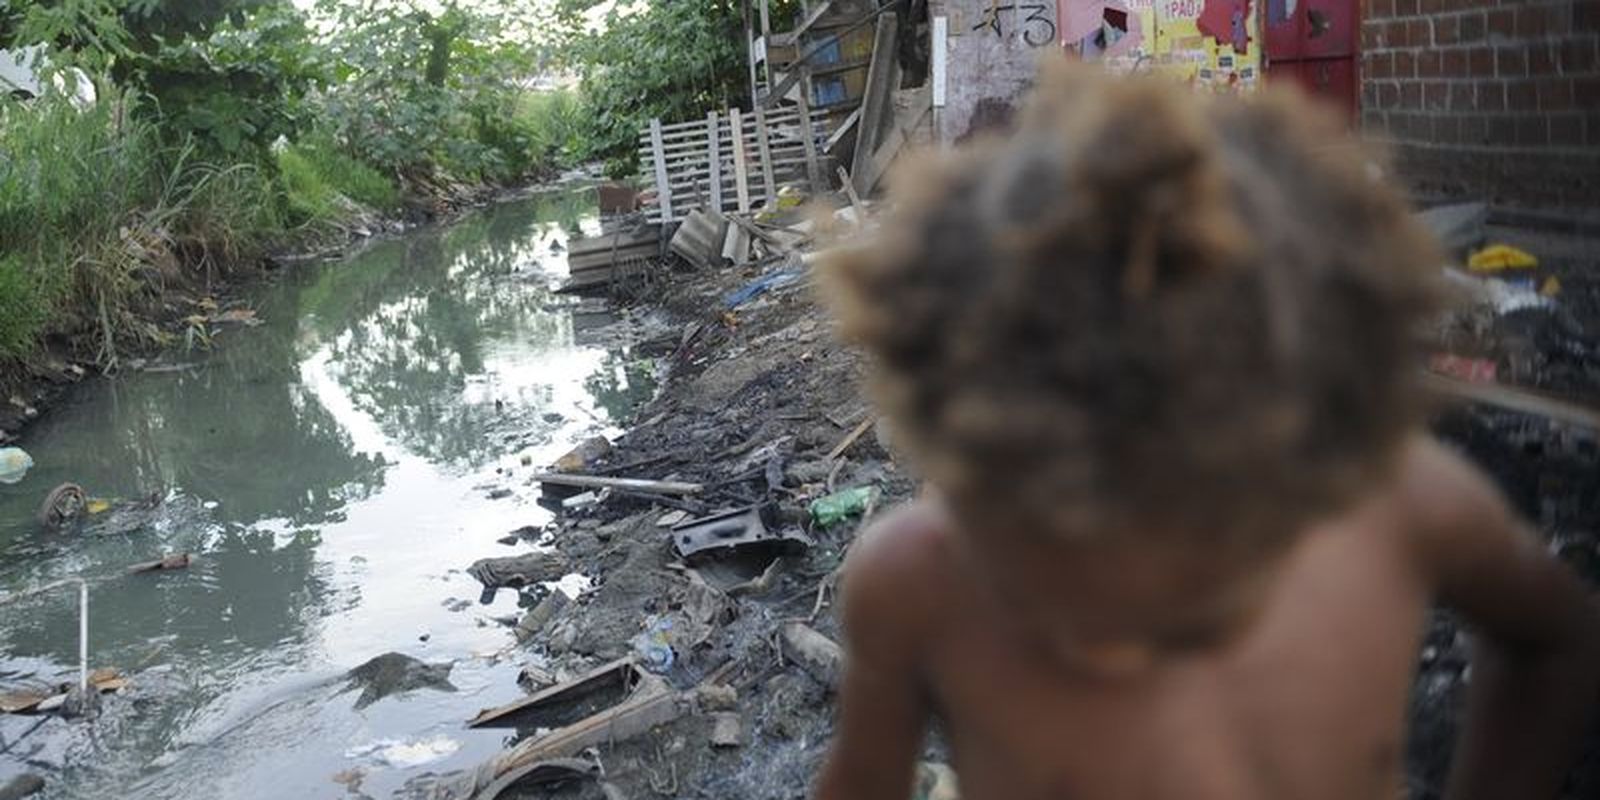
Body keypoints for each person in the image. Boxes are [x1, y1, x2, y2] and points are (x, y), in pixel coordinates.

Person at [813, 62, 1600, 800]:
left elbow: (1555, 640)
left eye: (1205, 580)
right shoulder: (919, 581)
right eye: (1063, 569)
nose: (1116, 649)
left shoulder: (1396, 501)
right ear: (968, 469)